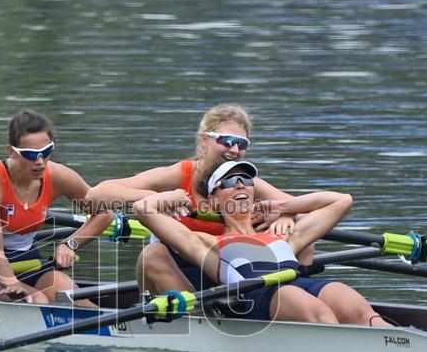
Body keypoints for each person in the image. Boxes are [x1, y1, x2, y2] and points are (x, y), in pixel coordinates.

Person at [87, 103, 386, 326]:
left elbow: (318, 205)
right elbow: (97, 196)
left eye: (242, 144)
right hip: (198, 263)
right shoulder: (177, 175)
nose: (235, 151)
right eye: (226, 141)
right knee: (152, 255)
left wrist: (284, 214)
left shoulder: (248, 183)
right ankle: (202, 324)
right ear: (204, 140)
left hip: (255, 268)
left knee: (314, 256)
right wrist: (161, 199)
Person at [133, 160, 369, 324]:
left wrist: (282, 207)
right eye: (228, 182)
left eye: (246, 180)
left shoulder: (282, 233)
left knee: (354, 306)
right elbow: (143, 209)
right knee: (318, 311)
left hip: (300, 284)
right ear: (213, 201)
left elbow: (342, 201)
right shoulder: (208, 243)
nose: (239, 185)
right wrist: (174, 196)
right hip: (259, 296)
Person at [0, 110, 113, 304]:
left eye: (46, 152)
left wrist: (70, 244)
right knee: (37, 300)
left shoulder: (58, 176)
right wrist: (14, 285)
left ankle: (108, 330)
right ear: (11, 152)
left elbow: (105, 213)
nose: (40, 162)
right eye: (31, 155)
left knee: (69, 293)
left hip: (29, 262)